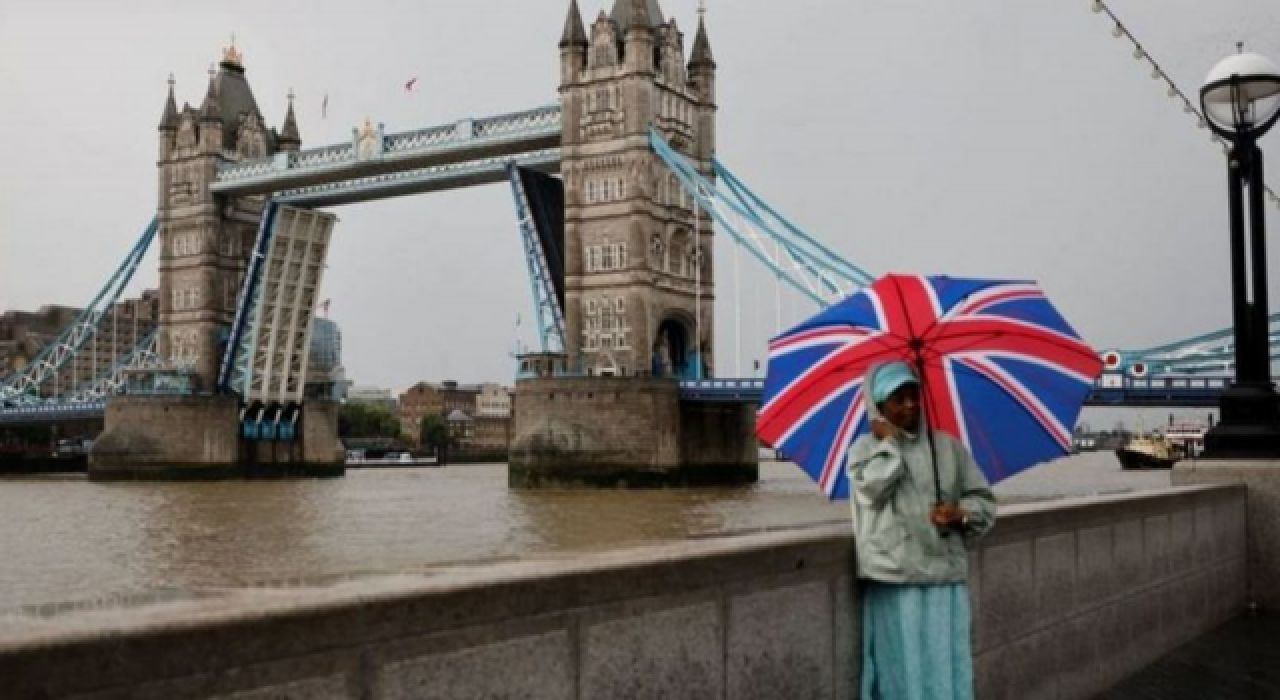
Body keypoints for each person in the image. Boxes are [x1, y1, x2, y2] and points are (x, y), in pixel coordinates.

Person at [847, 362, 997, 700]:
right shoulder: (864, 451)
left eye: (914, 394)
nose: (910, 404)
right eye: (898, 399)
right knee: (900, 670)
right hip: (896, 578)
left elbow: (985, 503)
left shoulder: (948, 448)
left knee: (948, 667)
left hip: (945, 577)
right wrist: (890, 446)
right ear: (879, 406)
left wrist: (960, 515)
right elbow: (871, 490)